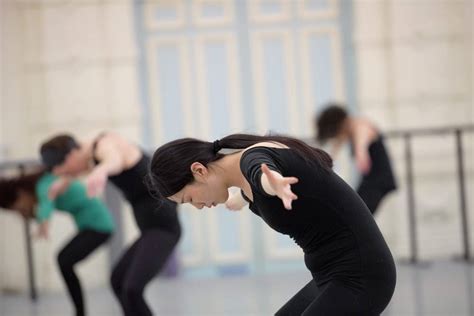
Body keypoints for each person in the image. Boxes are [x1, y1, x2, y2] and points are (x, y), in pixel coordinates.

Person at [147, 133, 396, 315]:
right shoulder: (244, 170)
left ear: (199, 171)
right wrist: (242, 198)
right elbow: (254, 183)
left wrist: (274, 183)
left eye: (189, 199)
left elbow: (262, 173)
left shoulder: (253, 160)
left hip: (362, 275)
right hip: (329, 275)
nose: (198, 207)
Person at [40, 132, 181, 316]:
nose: (69, 174)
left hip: (164, 228)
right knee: (118, 281)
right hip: (150, 230)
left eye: (66, 169)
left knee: (132, 289)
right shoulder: (91, 156)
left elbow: (113, 160)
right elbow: (86, 167)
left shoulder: (106, 145)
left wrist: (102, 171)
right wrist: (65, 181)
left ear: (72, 155)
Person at [0, 169, 114, 316]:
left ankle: (80, 312)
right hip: (90, 226)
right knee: (64, 261)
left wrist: (44, 221)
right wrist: (37, 217)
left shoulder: (42, 185)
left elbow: (47, 201)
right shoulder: (42, 184)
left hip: (99, 225)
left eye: (18, 208)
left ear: (20, 194)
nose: (21, 211)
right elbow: (42, 207)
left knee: (64, 261)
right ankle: (80, 312)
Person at [315, 103, 397, 214]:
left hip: (378, 181)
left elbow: (362, 140)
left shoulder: (360, 126)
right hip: (370, 180)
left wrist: (361, 153)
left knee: (357, 214)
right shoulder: (349, 130)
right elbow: (334, 150)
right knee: (354, 211)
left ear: (340, 126)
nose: (337, 137)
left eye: (335, 133)